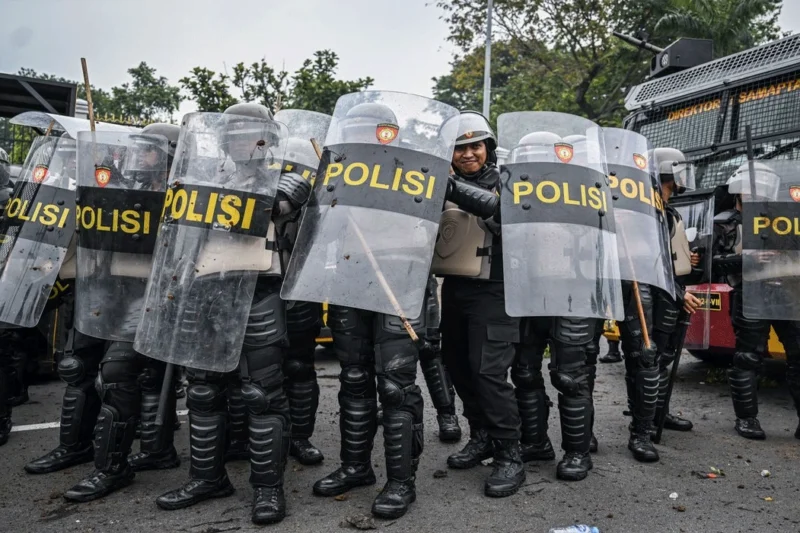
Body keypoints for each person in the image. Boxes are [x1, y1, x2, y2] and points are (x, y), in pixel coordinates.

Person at [154, 103, 301, 525]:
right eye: (234, 134)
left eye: (252, 133)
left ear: (267, 138)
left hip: (258, 290)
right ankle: (207, 478)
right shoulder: (205, 178)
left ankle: (269, 490)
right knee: (202, 391)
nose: (243, 141)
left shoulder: (286, 174)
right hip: (207, 291)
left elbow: (277, 206)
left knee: (262, 395)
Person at [437, 111, 525, 496]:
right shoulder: (438, 182)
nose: (468, 153)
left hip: (497, 289)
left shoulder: (510, 181)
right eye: (460, 148)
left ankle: (510, 454)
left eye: (475, 145)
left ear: (488, 147)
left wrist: (452, 188)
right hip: (455, 288)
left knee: (489, 372)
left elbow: (505, 213)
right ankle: (481, 436)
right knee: (458, 367)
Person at [714, 161, 800, 440]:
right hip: (749, 293)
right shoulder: (725, 222)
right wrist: (745, 259)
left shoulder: (783, 218)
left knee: (798, 355)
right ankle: (747, 418)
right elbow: (711, 263)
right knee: (748, 357)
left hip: (786, 292)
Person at [650, 148, 702, 435]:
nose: (684, 177)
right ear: (667, 172)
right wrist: (679, 293)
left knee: (666, 356)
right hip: (661, 293)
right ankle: (648, 417)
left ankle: (660, 412)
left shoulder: (668, 211)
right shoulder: (652, 211)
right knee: (655, 358)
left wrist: (687, 258)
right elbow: (653, 259)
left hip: (674, 289)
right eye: (679, 170)